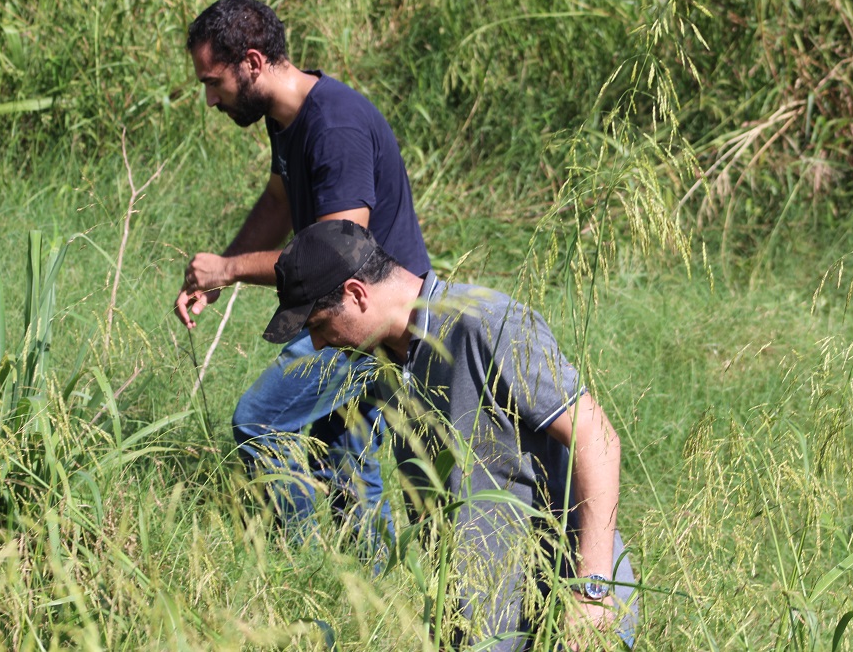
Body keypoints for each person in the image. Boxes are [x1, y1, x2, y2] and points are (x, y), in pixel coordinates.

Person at [262, 219, 639, 650]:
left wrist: (591, 590)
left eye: (319, 323)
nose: (317, 343)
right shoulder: (386, 359)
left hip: (562, 609)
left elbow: (597, 437)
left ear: (356, 294)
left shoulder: (484, 324)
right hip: (480, 616)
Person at [174, 0, 430, 548]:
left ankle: (299, 558)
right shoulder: (287, 118)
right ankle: (367, 587)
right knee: (345, 454)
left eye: (213, 81)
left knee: (259, 422)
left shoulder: (334, 125)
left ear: (253, 62)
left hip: (371, 317)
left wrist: (231, 268)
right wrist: (217, 274)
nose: (210, 98)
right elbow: (278, 202)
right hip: (356, 311)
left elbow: (339, 256)